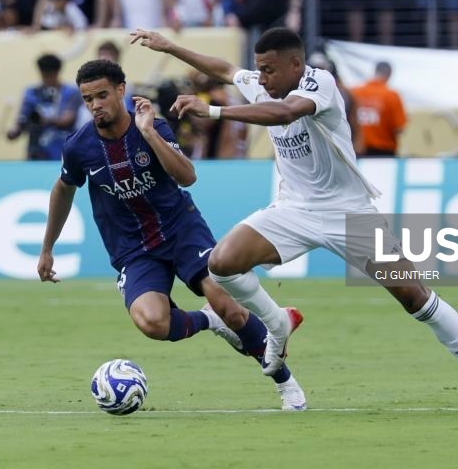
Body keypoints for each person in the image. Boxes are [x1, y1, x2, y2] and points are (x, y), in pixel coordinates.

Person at [130, 26, 458, 413]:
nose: (262, 79)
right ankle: (277, 322)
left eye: (269, 70)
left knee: (415, 296)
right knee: (222, 262)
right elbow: (226, 70)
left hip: (349, 213)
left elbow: (285, 113)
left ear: (296, 65)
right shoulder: (263, 84)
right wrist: (170, 47)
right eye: (259, 70)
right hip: (294, 210)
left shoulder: (320, 84)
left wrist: (214, 110)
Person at [36, 58, 307, 410]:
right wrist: (47, 248)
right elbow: (63, 189)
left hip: (181, 231)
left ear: (121, 90)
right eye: (88, 99)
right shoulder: (79, 147)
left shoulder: (154, 127)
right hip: (133, 249)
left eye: (102, 95)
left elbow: (187, 177)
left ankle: (286, 385)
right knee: (152, 322)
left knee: (232, 310)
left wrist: (149, 133)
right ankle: (208, 319)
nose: (95, 105)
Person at [7, 54, 83, 160]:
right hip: (36, 151)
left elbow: (68, 119)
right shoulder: (31, 92)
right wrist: (15, 131)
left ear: (57, 72)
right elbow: (23, 117)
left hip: (62, 149)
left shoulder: (71, 92)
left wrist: (45, 120)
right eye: (44, 75)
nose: (47, 79)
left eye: (50, 75)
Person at [351, 61, 407, 157]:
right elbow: (399, 128)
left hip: (356, 151)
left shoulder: (354, 92)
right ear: (389, 75)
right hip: (383, 153)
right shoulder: (391, 95)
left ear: (375, 72)